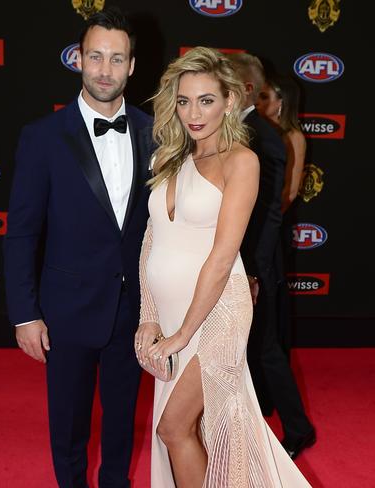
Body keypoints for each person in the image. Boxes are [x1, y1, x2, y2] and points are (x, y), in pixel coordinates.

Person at [134, 46, 310, 487]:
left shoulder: (241, 161)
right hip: (172, 313)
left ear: (230, 101)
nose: (194, 112)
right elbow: (152, 239)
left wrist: (181, 334)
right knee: (199, 432)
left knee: (173, 428)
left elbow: (221, 257)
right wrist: (149, 317)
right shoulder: (167, 158)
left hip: (216, 315)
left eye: (206, 100)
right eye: (184, 100)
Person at [3, 8, 153, 488]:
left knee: (121, 424)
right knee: (67, 426)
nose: (104, 70)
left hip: (134, 310)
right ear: (78, 60)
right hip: (65, 310)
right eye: (95, 57)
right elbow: (22, 232)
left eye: (116, 58)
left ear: (132, 66)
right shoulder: (42, 138)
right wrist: (24, 314)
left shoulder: (159, 133)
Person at [227, 53, 316, 460]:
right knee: (247, 346)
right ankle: (254, 413)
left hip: (253, 263)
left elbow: (268, 214)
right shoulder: (243, 131)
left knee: (263, 347)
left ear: (243, 89)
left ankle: (298, 427)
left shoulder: (262, 136)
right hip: (239, 259)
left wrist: (253, 270)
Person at [256, 74, 306, 214]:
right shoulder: (254, 130)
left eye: (264, 97)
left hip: (271, 218)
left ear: (281, 102)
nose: (257, 101)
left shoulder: (294, 137)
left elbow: (291, 191)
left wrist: (269, 219)